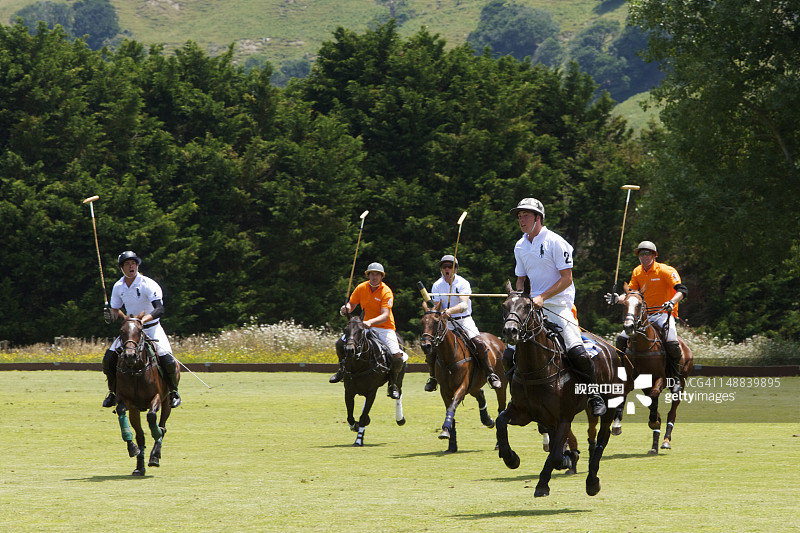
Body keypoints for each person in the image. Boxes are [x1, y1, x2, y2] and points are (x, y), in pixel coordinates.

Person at [509, 198, 607, 416]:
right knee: (509, 353)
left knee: (577, 351)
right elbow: (520, 280)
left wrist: (543, 296)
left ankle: (594, 395)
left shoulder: (556, 242)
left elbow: (567, 279)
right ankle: (519, 398)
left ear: (538, 218)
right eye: (519, 216)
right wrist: (520, 298)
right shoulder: (520, 245)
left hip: (559, 306)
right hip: (532, 308)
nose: (521, 220)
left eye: (526, 215)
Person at [101, 250, 182, 408]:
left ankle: (173, 392)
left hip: (151, 328)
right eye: (127, 264)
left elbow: (159, 309)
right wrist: (111, 314)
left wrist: (141, 321)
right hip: (131, 331)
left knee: (168, 359)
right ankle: (112, 392)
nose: (131, 266)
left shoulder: (148, 284)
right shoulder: (118, 286)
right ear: (122, 268)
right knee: (108, 359)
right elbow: (116, 309)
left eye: (133, 263)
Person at [605, 241, 687, 393]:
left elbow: (682, 290)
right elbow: (631, 294)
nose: (644, 257)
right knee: (621, 339)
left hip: (664, 313)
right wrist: (617, 299)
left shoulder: (666, 270)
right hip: (643, 316)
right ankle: (626, 373)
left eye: (647, 253)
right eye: (641, 254)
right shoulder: (637, 272)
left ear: (654, 255)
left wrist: (672, 302)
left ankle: (674, 377)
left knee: (671, 342)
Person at [329, 262, 408, 399]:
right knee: (340, 344)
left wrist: (369, 322)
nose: (374, 277)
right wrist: (345, 308)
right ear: (368, 275)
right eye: (372, 274)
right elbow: (352, 304)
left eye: (377, 274)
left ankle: (393, 385)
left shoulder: (386, 292)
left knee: (396, 356)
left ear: (382, 276)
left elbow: (384, 315)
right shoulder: (361, 287)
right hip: (363, 326)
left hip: (384, 328)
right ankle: (342, 370)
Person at [424, 254, 502, 392]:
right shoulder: (437, 285)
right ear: (441, 269)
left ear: (455, 269)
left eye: (450, 267)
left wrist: (450, 310)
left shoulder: (463, 283)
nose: (447, 269)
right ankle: (433, 378)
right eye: (444, 267)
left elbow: (464, 305)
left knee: (479, 343)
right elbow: (437, 306)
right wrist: (442, 312)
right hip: (446, 322)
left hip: (464, 320)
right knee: (432, 347)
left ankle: (491, 374)